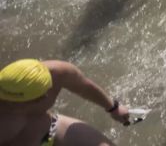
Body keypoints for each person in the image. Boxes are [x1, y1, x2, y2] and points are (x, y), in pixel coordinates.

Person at [0, 58, 133, 146]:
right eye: (38, 97)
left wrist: (113, 107)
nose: (46, 98)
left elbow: (84, 87)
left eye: (45, 92)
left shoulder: (56, 73)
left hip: (49, 130)